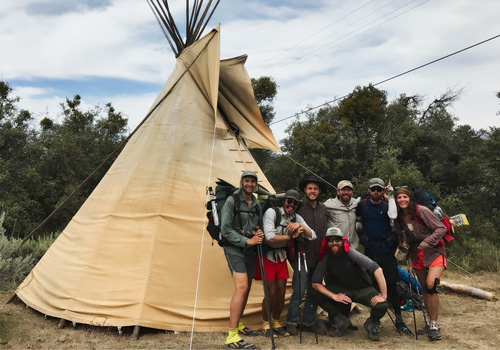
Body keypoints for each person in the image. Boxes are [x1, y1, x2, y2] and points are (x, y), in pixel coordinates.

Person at [310, 227, 388, 341]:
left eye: (337, 239)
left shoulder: (351, 253)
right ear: (326, 243)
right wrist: (334, 296)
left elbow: (377, 269)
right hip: (342, 290)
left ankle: (371, 323)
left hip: (362, 288)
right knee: (314, 292)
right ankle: (340, 319)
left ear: (343, 240)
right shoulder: (326, 258)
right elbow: (315, 283)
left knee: (382, 305)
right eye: (330, 240)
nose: (334, 243)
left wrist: (383, 295)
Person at [355, 177, 410, 334]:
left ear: (382, 191)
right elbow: (357, 222)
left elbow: (397, 221)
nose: (376, 192)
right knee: (373, 286)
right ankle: (375, 319)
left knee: (391, 285)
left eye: (379, 189)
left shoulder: (388, 205)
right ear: (369, 190)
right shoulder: (362, 205)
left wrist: (396, 238)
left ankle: (399, 319)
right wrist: (362, 237)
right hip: (371, 251)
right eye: (374, 189)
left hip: (387, 250)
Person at [393, 187, 447, 341]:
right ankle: (430, 323)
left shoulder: (421, 210)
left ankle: (434, 324)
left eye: (405, 197)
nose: (402, 200)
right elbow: (399, 235)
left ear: (410, 198)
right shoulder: (399, 217)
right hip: (416, 254)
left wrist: (426, 242)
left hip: (435, 251)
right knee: (424, 288)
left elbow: (440, 228)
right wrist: (403, 244)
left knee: (431, 285)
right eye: (399, 198)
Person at [259, 189, 316, 337]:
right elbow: (269, 238)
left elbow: (312, 235)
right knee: (270, 292)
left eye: (295, 203)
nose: (291, 205)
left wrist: (300, 226)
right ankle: (266, 323)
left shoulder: (296, 217)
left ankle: (276, 321)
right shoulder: (272, 213)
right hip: (268, 255)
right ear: (284, 201)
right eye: (289, 201)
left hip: (282, 256)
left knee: (281, 291)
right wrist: (292, 237)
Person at [220, 171, 264, 349]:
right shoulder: (232, 201)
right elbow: (225, 229)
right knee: (242, 287)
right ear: (241, 182)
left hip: (249, 249)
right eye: (247, 181)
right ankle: (232, 337)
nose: (250, 184)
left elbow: (255, 224)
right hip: (234, 249)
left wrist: (257, 232)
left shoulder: (256, 203)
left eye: (253, 181)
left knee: (247, 288)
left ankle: (238, 324)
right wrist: (247, 240)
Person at [286, 177, 328, 336]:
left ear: (319, 191)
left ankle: (308, 321)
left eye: (315, 189)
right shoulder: (299, 206)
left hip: (319, 257)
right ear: (305, 190)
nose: (312, 191)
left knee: (314, 291)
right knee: (299, 290)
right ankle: (291, 321)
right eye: (310, 188)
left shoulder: (324, 208)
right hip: (301, 256)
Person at [324, 180, 360, 249]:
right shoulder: (329, 205)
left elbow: (369, 198)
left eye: (349, 190)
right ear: (338, 191)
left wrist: (385, 196)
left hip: (353, 247)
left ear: (352, 192)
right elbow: (316, 206)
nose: (346, 192)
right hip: (337, 248)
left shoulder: (355, 203)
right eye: (343, 190)